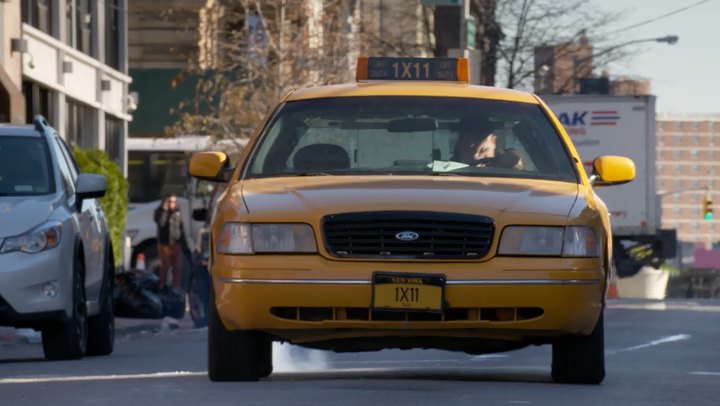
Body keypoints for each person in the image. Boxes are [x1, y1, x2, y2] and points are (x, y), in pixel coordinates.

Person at [452, 118, 524, 170]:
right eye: (467, 142)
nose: (476, 156)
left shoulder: (509, 163)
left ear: (493, 141)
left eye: (479, 139)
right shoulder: (448, 170)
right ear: (459, 144)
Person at [154, 194, 184, 292]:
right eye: (170, 202)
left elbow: (181, 228)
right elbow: (161, 223)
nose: (173, 204)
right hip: (164, 243)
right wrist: (165, 210)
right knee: (164, 266)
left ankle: (176, 288)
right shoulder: (160, 212)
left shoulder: (178, 212)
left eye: (174, 202)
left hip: (176, 243)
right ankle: (162, 286)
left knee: (177, 268)